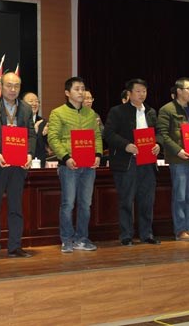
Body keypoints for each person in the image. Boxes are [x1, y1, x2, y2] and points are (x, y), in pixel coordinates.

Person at [0, 72, 36, 260]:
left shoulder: (25, 108)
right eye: (9, 85)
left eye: (16, 86)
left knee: (16, 207)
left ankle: (15, 247)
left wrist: (29, 154)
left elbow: (31, 134)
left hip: (18, 165)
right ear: (1, 87)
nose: (13, 89)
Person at [103, 79, 161, 246]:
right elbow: (109, 134)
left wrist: (158, 144)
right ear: (129, 93)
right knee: (126, 200)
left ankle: (147, 234)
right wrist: (126, 145)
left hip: (148, 162)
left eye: (144, 91)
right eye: (138, 91)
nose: (142, 94)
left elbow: (159, 133)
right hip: (127, 162)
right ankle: (126, 235)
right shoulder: (118, 111)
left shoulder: (151, 112)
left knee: (147, 200)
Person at [48, 76, 103, 253]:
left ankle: (82, 238)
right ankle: (67, 239)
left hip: (88, 166)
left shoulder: (90, 114)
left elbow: (96, 137)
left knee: (85, 204)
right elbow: (53, 138)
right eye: (77, 89)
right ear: (67, 92)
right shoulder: (58, 113)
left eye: (83, 89)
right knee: (68, 204)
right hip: (69, 166)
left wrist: (98, 154)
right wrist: (65, 157)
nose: (81, 92)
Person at [157, 77, 189, 242]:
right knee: (180, 196)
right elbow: (163, 134)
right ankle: (180, 230)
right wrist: (178, 150)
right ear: (179, 91)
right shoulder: (167, 109)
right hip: (179, 159)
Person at [22, 91, 49, 167]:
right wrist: (32, 132)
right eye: (31, 101)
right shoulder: (17, 121)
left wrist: (47, 135)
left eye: (37, 101)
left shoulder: (43, 122)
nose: (34, 104)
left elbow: (48, 146)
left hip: (39, 163)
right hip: (21, 163)